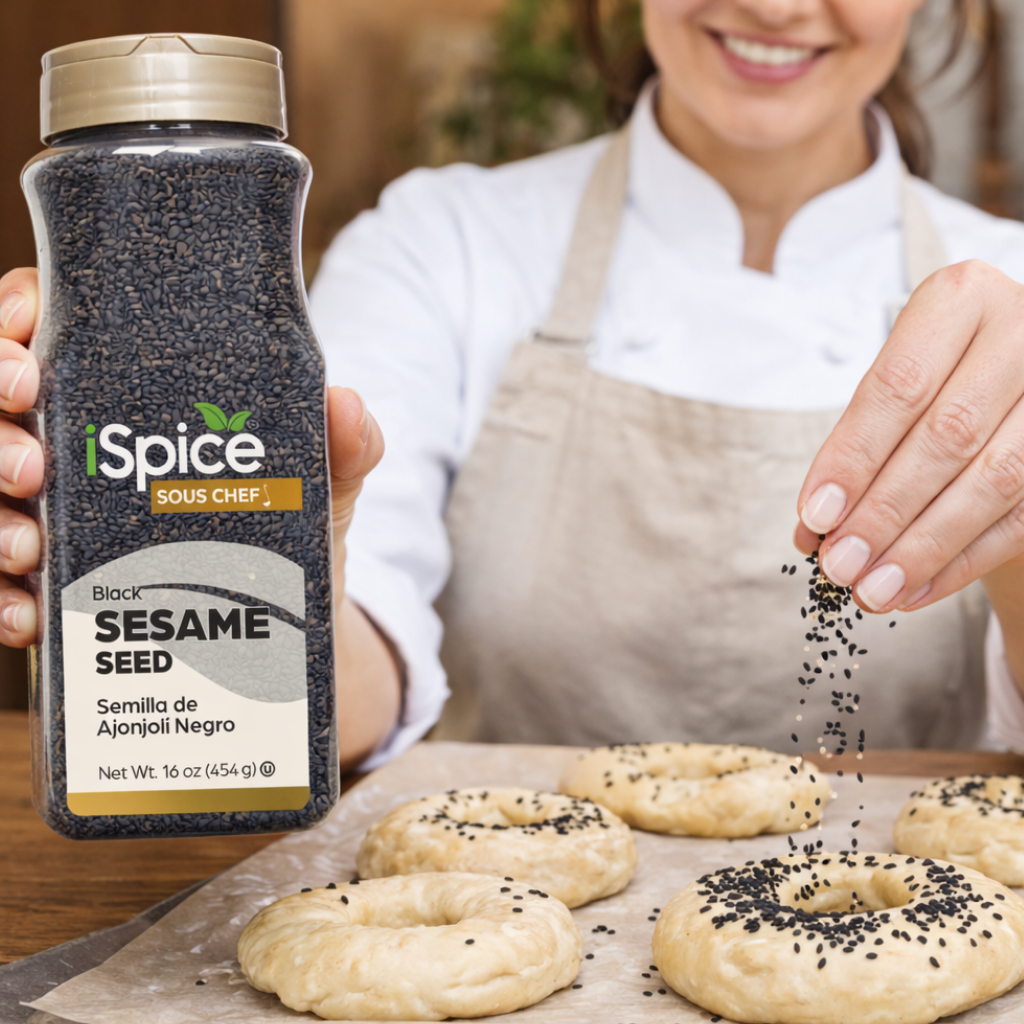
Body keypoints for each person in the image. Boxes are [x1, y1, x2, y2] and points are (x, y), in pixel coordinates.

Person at [3, 0, 1024, 771]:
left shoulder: (1011, 292)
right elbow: (342, 690)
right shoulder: (440, 244)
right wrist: (190, 567)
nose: (774, 5)